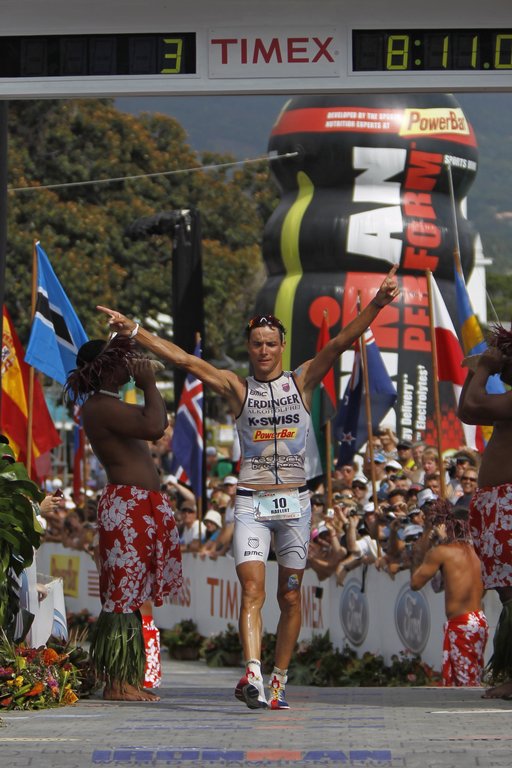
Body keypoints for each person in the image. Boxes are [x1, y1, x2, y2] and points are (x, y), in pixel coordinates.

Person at [97, 264, 399, 710]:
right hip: (252, 504)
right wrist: (136, 331)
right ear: (249, 347)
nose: (263, 350)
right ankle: (253, 673)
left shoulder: (302, 380)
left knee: (290, 595)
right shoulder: (236, 388)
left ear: (282, 347)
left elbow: (340, 342)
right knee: (252, 590)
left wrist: (377, 303)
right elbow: (185, 361)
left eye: (270, 344)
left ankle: (279, 679)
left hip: (295, 505)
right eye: (256, 344)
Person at [64, 335, 183, 702]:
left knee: (133, 593)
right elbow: (155, 425)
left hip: (138, 505)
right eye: (119, 360)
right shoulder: (99, 406)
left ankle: (127, 678)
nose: (127, 366)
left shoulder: (108, 404)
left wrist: (146, 384)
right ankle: (118, 683)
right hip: (128, 506)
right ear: (104, 368)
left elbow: (155, 423)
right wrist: (148, 382)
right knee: (123, 595)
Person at [458, 329, 512, 699]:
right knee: (508, 594)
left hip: (507, 503)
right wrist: (479, 369)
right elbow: (469, 408)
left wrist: (484, 368)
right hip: (498, 503)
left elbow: (472, 408)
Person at [410, 499, 488, 687]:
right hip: (479, 619)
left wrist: (427, 546)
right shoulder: (479, 551)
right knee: (469, 680)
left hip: (461, 624)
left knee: (466, 686)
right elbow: (483, 591)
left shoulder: (442, 552)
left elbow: (415, 583)